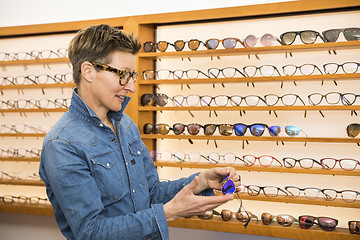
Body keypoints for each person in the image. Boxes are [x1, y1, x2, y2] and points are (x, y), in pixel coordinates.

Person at [39, 24, 241, 240]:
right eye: (123, 75)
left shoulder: (125, 124)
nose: (132, 87)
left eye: (132, 75)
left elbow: (150, 193)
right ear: (88, 71)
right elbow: (91, 232)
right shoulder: (62, 144)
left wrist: (201, 181)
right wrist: (169, 212)